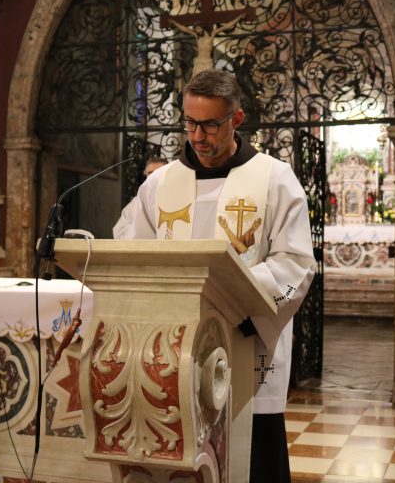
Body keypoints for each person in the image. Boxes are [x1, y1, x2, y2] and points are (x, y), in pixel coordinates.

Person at [126, 69, 316, 482]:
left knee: (253, 456)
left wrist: (238, 307)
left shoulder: (274, 179)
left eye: (210, 125)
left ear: (236, 119)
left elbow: (296, 263)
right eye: (190, 123)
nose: (197, 136)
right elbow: (132, 252)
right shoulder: (159, 184)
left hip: (246, 339)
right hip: (173, 347)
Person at [112, 157, 168, 239]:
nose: (153, 176)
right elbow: (119, 231)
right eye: (150, 173)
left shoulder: (176, 199)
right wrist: (140, 227)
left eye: (158, 173)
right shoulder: (137, 202)